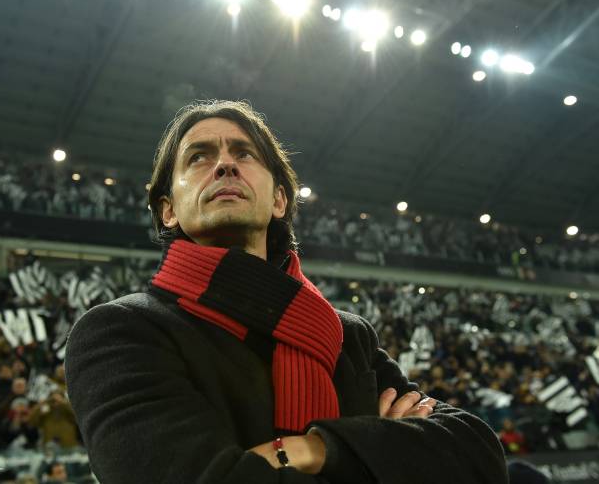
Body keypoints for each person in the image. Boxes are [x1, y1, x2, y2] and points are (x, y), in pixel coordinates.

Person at [64, 100, 508, 483]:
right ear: (168, 211)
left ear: (279, 200)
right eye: (198, 157)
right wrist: (386, 454)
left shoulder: (346, 335)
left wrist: (313, 449)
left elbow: (479, 457)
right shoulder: (121, 331)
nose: (225, 165)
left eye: (244, 153)